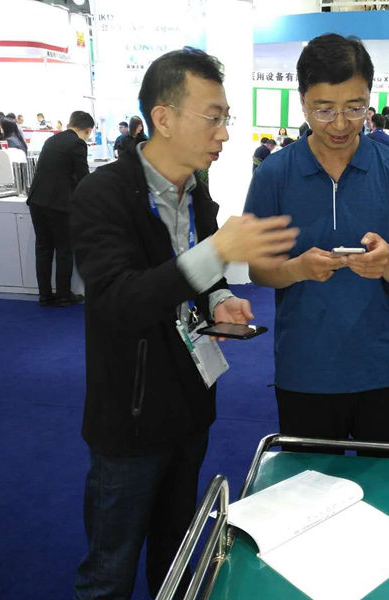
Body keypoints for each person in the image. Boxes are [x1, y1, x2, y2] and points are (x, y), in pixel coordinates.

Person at [69, 47, 297, 600]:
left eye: (226, 117)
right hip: (130, 416)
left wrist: (219, 295)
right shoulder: (103, 195)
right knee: (110, 570)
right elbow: (120, 301)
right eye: (212, 117)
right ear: (163, 117)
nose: (224, 133)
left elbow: (194, 275)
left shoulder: (196, 192)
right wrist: (218, 253)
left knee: (175, 554)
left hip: (190, 403)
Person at [244, 33, 389, 445]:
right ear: (302, 102)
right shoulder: (274, 175)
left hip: (385, 368)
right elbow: (259, 270)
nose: (340, 124)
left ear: (369, 99)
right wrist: (297, 269)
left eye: (355, 108)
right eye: (324, 109)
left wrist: (388, 262)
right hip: (306, 369)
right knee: (308, 481)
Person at [26, 111, 94, 307]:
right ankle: (64, 295)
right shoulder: (77, 144)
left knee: (43, 248)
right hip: (58, 204)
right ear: (87, 130)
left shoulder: (52, 140)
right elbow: (83, 176)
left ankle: (45, 296)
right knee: (64, 249)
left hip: (37, 200)